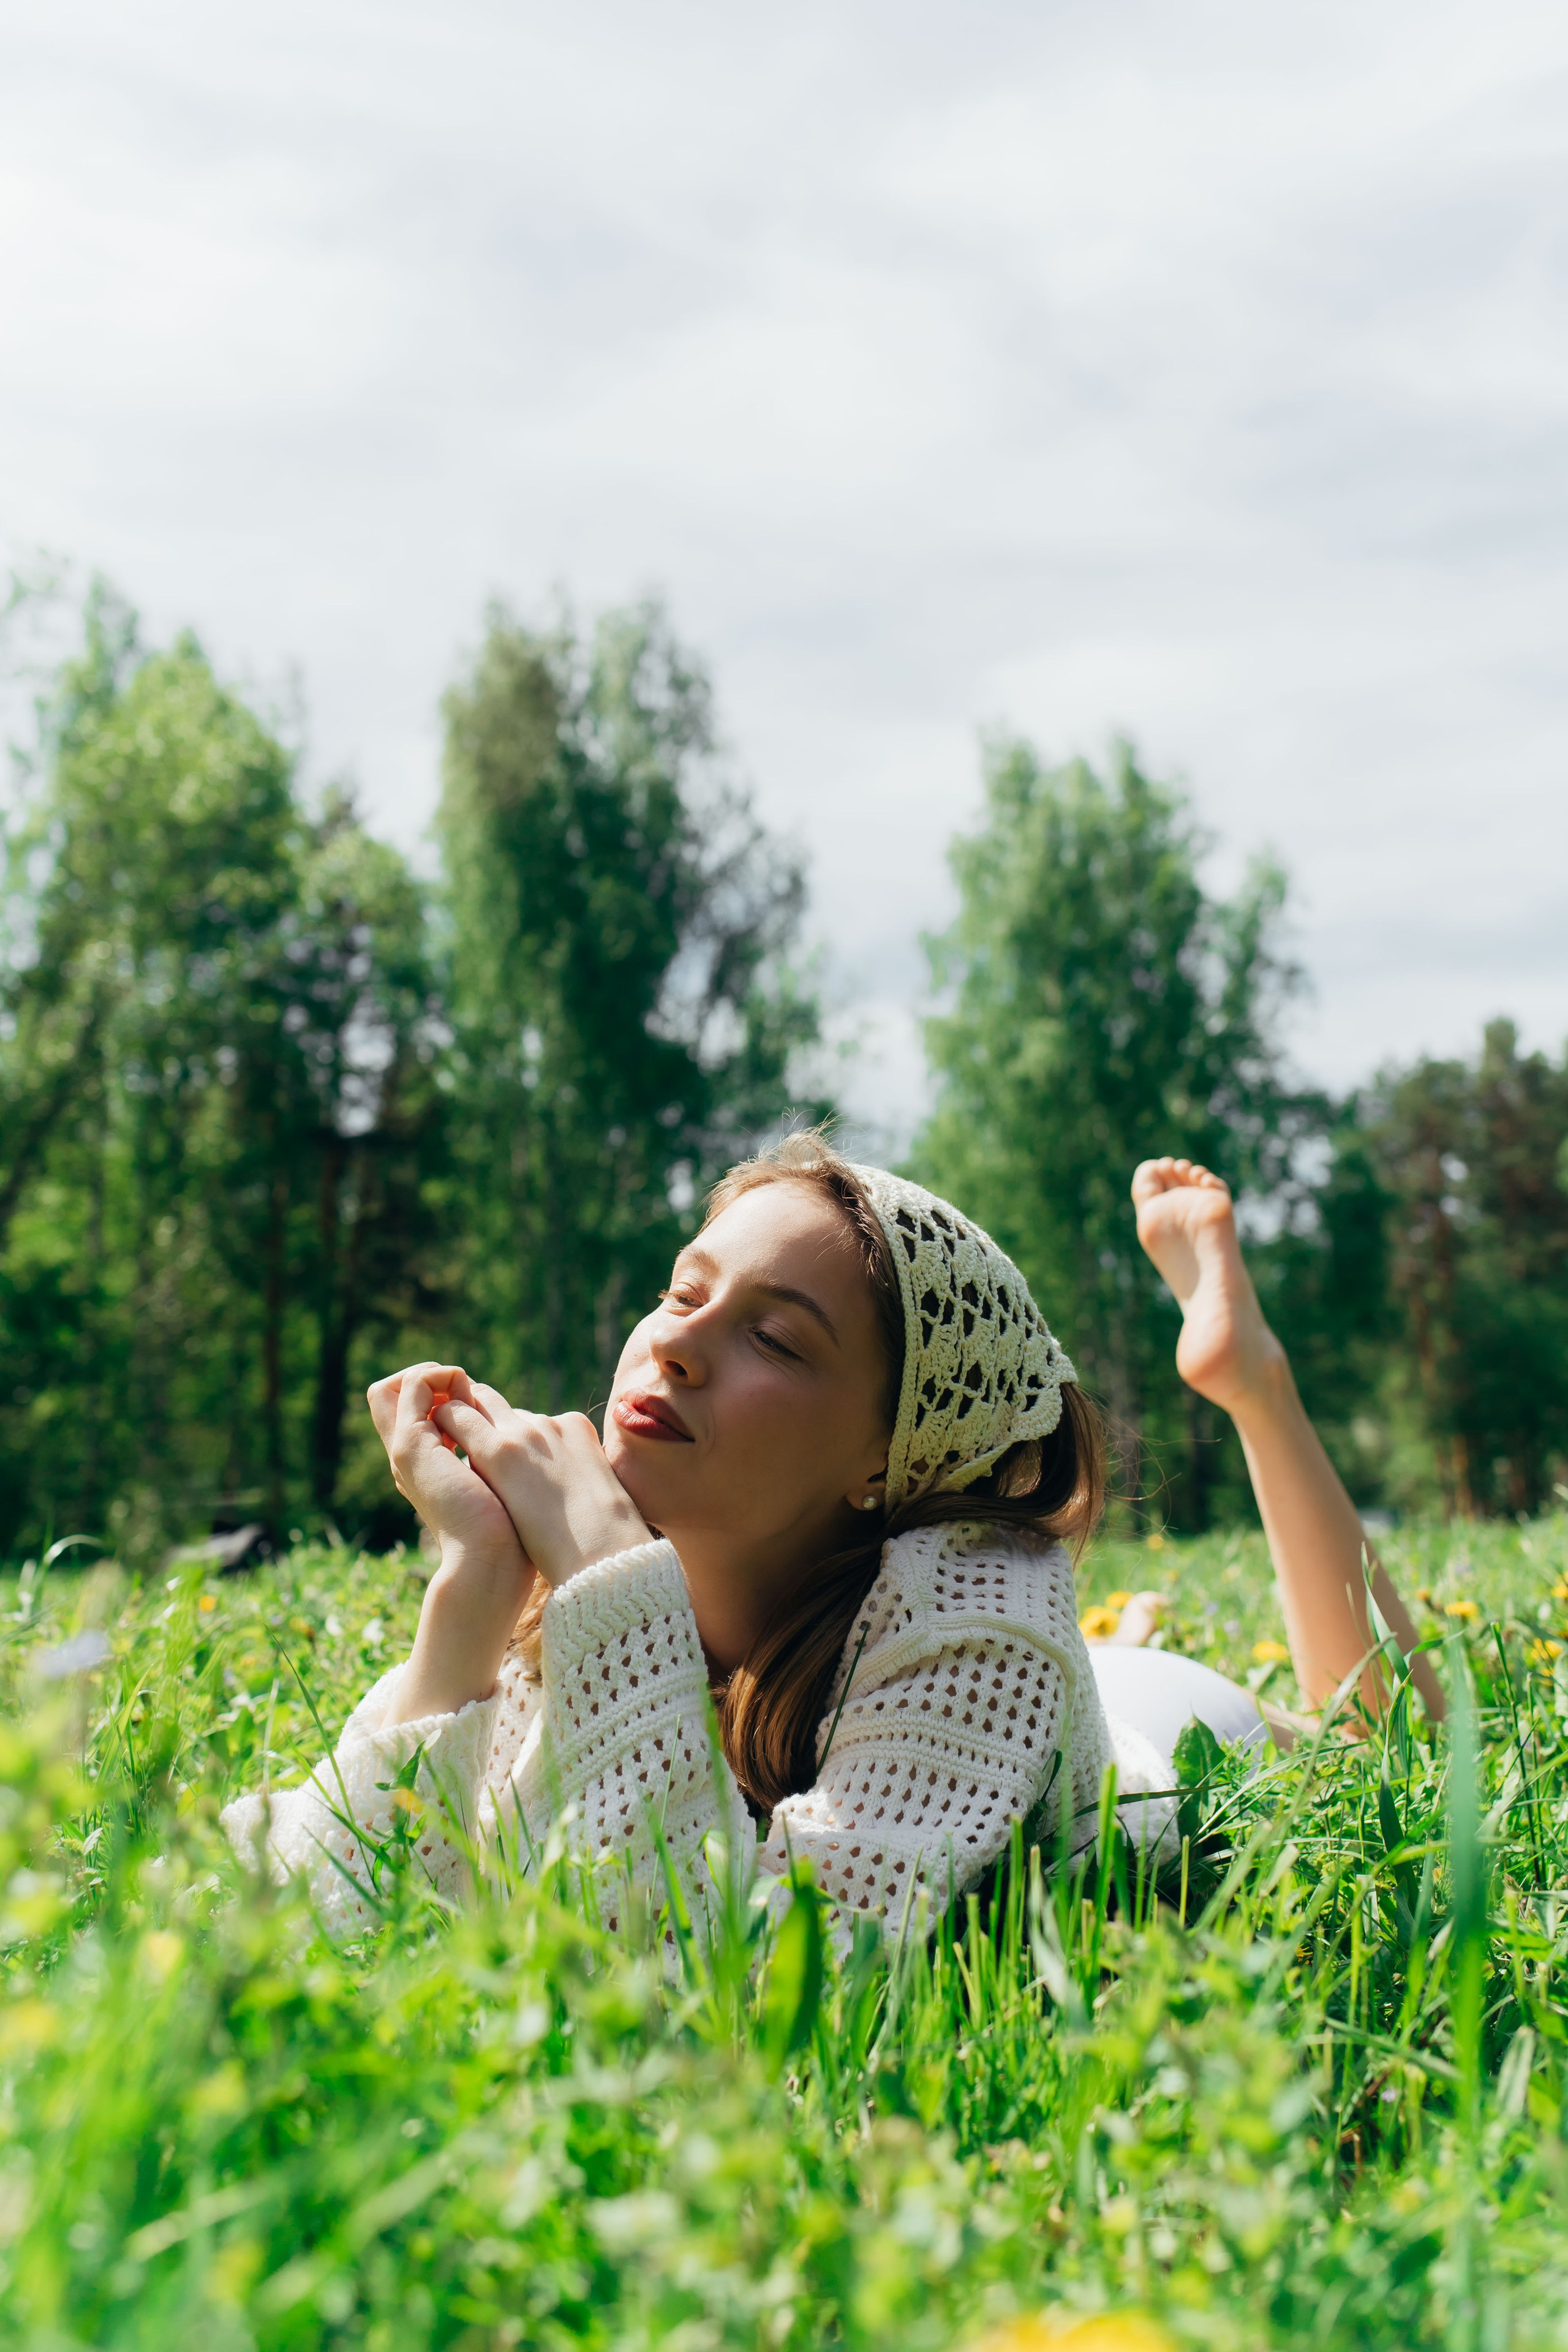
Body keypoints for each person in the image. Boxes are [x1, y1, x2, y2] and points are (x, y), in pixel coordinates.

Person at [222, 1139, 1436, 1945]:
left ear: (884, 1457)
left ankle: (1254, 1384)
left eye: (778, 1340)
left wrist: (604, 1564)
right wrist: (471, 1595)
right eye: (684, 1292)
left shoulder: (981, 1609)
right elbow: (310, 1916)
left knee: (1393, 1751)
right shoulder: (557, 1613)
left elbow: (756, 1978)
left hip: (1156, 1743)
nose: (678, 1347)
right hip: (954, 1703)